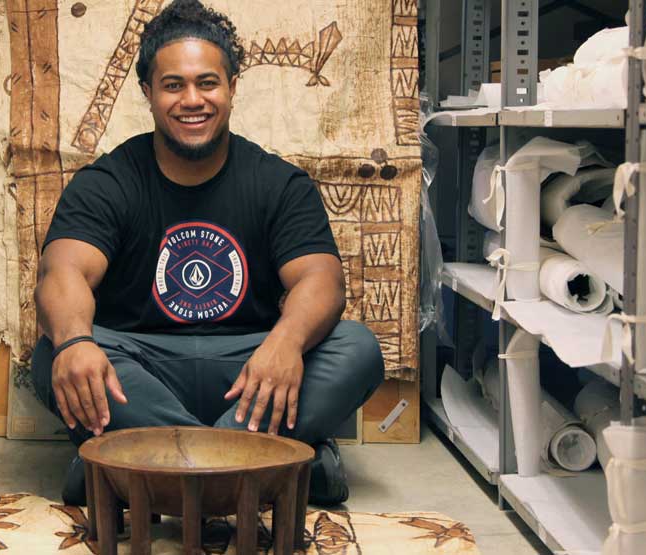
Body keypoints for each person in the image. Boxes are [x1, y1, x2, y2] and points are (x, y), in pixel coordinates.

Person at [32, 0, 384, 507]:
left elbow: (322, 280)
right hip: (139, 366)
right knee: (56, 352)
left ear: (233, 87)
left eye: (208, 83)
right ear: (147, 93)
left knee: (355, 348)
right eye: (173, 85)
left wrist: (284, 343)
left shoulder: (277, 182)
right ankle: (273, 470)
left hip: (251, 366)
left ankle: (131, 471)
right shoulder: (107, 182)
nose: (191, 100)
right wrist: (73, 342)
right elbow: (62, 272)